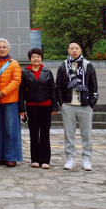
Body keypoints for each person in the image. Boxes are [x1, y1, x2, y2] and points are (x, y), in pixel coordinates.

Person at [55, 40, 98, 171]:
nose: (74, 50)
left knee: (86, 134)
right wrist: (61, 102)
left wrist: (91, 102)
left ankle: (86, 158)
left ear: (80, 50)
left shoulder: (87, 65)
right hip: (68, 104)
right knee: (69, 133)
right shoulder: (63, 66)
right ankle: (70, 158)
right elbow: (58, 86)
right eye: (71, 48)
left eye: (76, 48)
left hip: (84, 104)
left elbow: (93, 85)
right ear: (68, 50)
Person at [18, 47, 57, 169]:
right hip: (31, 106)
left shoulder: (47, 72)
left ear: (41, 58)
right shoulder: (25, 73)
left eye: (38, 57)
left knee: (45, 133)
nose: (36, 59)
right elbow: (21, 92)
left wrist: (54, 106)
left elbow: (53, 90)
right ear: (30, 59)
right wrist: (21, 108)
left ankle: (45, 160)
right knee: (33, 133)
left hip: (46, 106)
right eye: (34, 57)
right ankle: (34, 159)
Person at [0, 38, 22, 167]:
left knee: (11, 130)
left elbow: (16, 81)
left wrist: (2, 92)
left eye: (4, 47)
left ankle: (11, 156)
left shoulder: (14, 64)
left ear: (8, 48)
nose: (2, 49)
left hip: (10, 100)